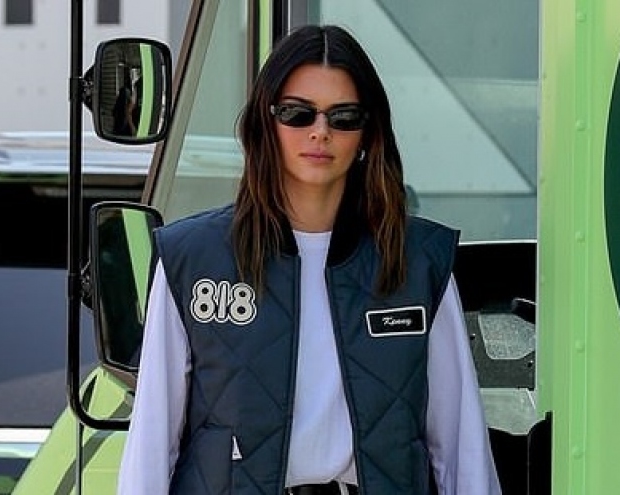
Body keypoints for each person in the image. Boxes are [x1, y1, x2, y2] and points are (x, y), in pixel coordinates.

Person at [117, 24, 501, 495]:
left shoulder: (418, 262)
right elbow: (152, 442)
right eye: (297, 114)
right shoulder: (193, 259)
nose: (321, 131)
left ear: (367, 133)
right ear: (266, 122)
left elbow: (461, 447)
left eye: (344, 117)